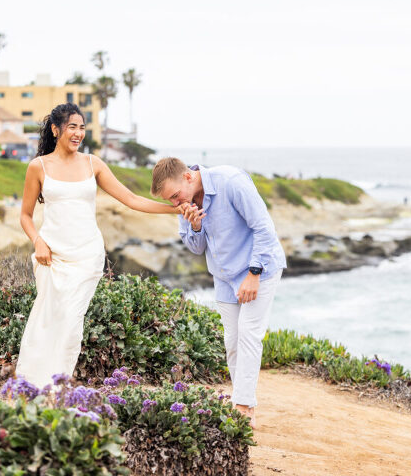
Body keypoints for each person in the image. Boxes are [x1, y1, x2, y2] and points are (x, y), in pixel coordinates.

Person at [16, 103, 180, 388]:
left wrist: (176, 209)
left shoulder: (93, 164)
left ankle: (57, 388)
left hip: (87, 255)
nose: (79, 133)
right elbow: (25, 216)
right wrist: (38, 241)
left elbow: (131, 199)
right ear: (56, 130)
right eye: (72, 127)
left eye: (82, 127)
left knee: (70, 321)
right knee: (46, 319)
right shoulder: (38, 167)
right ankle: (29, 385)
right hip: (51, 256)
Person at [151, 157, 286, 427]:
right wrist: (195, 225)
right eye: (171, 201)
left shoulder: (231, 182)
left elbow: (264, 228)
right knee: (232, 342)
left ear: (188, 177)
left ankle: (243, 407)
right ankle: (243, 402)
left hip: (259, 268)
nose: (176, 204)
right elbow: (196, 248)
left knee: (249, 334)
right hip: (224, 276)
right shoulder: (184, 204)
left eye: (176, 197)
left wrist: (254, 273)